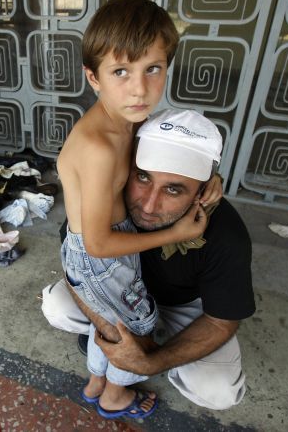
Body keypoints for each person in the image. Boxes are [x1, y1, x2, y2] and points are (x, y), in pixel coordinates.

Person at [55, 0, 223, 420]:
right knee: (136, 330)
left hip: (102, 256)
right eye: (120, 72)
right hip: (102, 259)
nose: (139, 88)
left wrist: (209, 177)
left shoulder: (128, 121)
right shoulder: (99, 146)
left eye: (153, 68)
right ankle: (115, 396)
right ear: (92, 77)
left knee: (109, 326)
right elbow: (96, 243)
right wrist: (175, 233)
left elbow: (182, 150)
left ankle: (96, 383)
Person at [43, 109, 256, 412]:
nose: (149, 203)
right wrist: (109, 328)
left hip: (184, 308)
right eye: (143, 176)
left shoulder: (226, 233)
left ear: (204, 191)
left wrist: (150, 361)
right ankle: (109, 353)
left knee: (218, 390)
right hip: (116, 297)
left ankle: (145, 357)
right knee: (56, 304)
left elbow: (220, 321)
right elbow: (75, 265)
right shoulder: (105, 197)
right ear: (127, 164)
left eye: (173, 189)